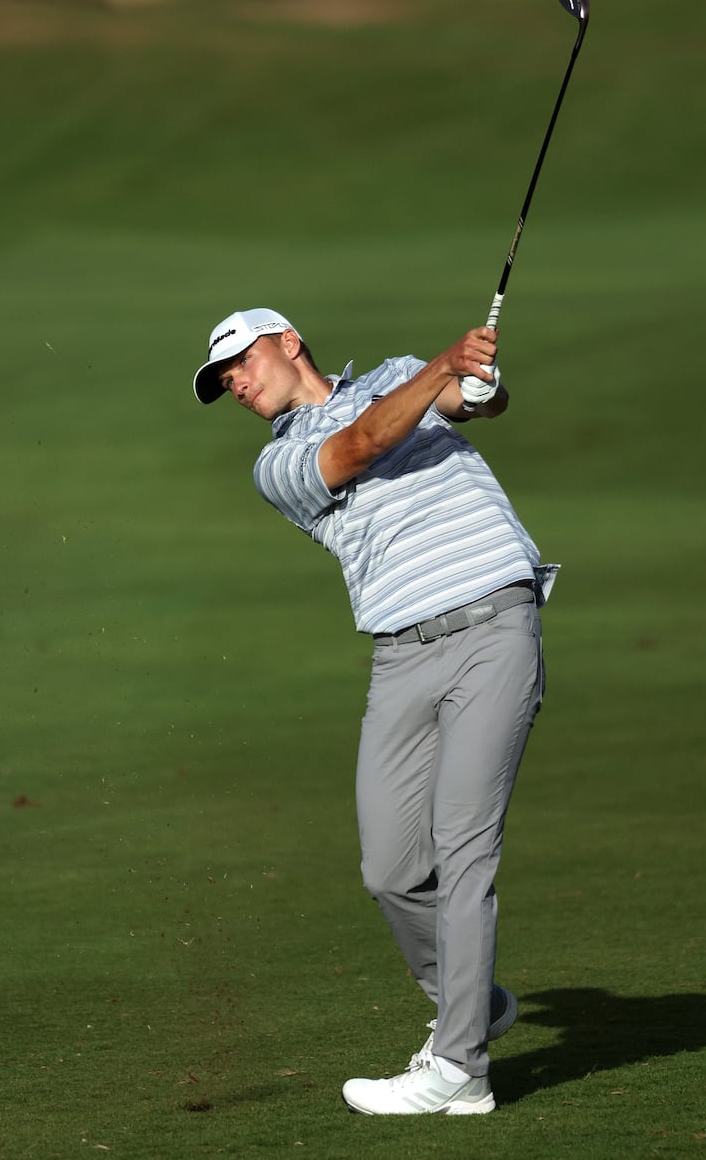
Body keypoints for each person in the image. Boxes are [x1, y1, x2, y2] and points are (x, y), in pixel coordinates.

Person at [193, 308, 557, 1115]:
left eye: (241, 363)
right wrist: (441, 370)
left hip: (494, 621)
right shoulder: (279, 463)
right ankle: (475, 1003)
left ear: (289, 342)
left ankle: (461, 1068)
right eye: (226, 382)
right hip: (401, 653)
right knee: (391, 868)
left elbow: (473, 402)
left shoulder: (396, 374)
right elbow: (359, 446)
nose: (239, 384)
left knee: (464, 846)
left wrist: (477, 379)